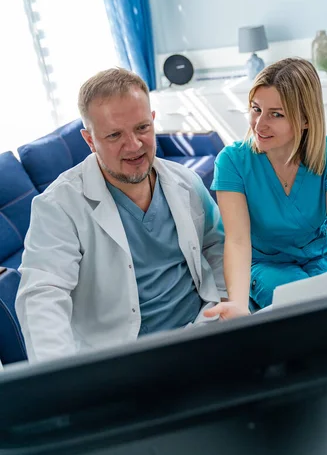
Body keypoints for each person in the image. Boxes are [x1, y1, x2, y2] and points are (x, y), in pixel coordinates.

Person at [16, 68, 228, 362]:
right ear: (90, 140)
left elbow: (217, 245)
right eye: (115, 135)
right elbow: (42, 295)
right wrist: (61, 379)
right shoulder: (58, 206)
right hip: (123, 362)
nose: (134, 145)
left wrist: (225, 305)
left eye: (142, 128)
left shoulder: (186, 182)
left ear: (153, 121)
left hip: (202, 334)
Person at [204, 57, 327, 320]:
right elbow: (237, 241)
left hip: (323, 256)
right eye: (256, 109)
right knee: (307, 313)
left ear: (305, 120)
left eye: (275, 114)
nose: (259, 124)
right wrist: (238, 305)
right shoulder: (232, 161)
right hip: (269, 265)